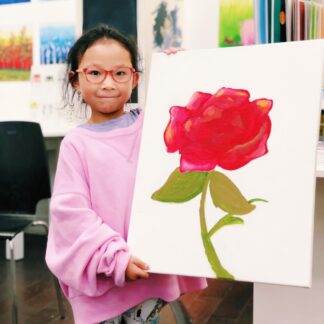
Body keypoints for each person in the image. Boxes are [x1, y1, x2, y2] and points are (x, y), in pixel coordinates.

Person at [45, 24, 207, 324]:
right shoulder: (76, 145)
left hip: (148, 274)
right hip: (106, 282)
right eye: (95, 73)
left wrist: (183, 73)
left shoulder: (151, 125)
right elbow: (73, 216)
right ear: (76, 81)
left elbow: (190, 123)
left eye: (120, 73)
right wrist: (116, 258)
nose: (108, 83)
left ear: (134, 79)